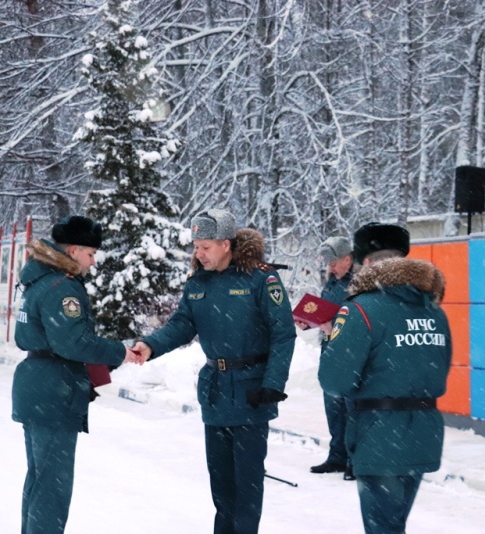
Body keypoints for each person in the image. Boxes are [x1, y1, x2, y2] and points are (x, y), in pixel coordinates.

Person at [127, 209, 296, 534]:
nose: (199, 253)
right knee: (221, 487)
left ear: (225, 244)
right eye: (196, 247)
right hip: (215, 393)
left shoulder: (261, 279)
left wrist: (273, 383)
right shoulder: (198, 282)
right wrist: (150, 345)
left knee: (247, 488)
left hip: (252, 393)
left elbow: (283, 334)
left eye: (205, 246)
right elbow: (181, 324)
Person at [318, 222, 452, 534]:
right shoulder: (434, 311)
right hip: (424, 434)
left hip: (379, 437)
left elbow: (334, 381)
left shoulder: (362, 309)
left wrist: (336, 339)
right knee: (394, 525)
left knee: (383, 528)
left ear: (365, 262)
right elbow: (439, 369)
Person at [11, 215, 126, 534]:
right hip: (54, 392)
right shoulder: (62, 287)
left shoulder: (40, 280)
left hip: (38, 386)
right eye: (91, 254)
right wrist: (119, 351)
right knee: (52, 490)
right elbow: (73, 343)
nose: (93, 261)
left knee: (40, 480)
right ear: (74, 250)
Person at [301, 236, 356, 480]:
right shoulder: (331, 284)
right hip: (330, 353)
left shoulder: (360, 285)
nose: (331, 269)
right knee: (334, 408)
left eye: (334, 263)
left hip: (351, 355)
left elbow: (362, 322)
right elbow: (327, 313)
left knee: (353, 410)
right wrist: (309, 321)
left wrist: (333, 328)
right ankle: (337, 457)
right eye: (328, 264)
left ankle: (355, 461)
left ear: (347, 259)